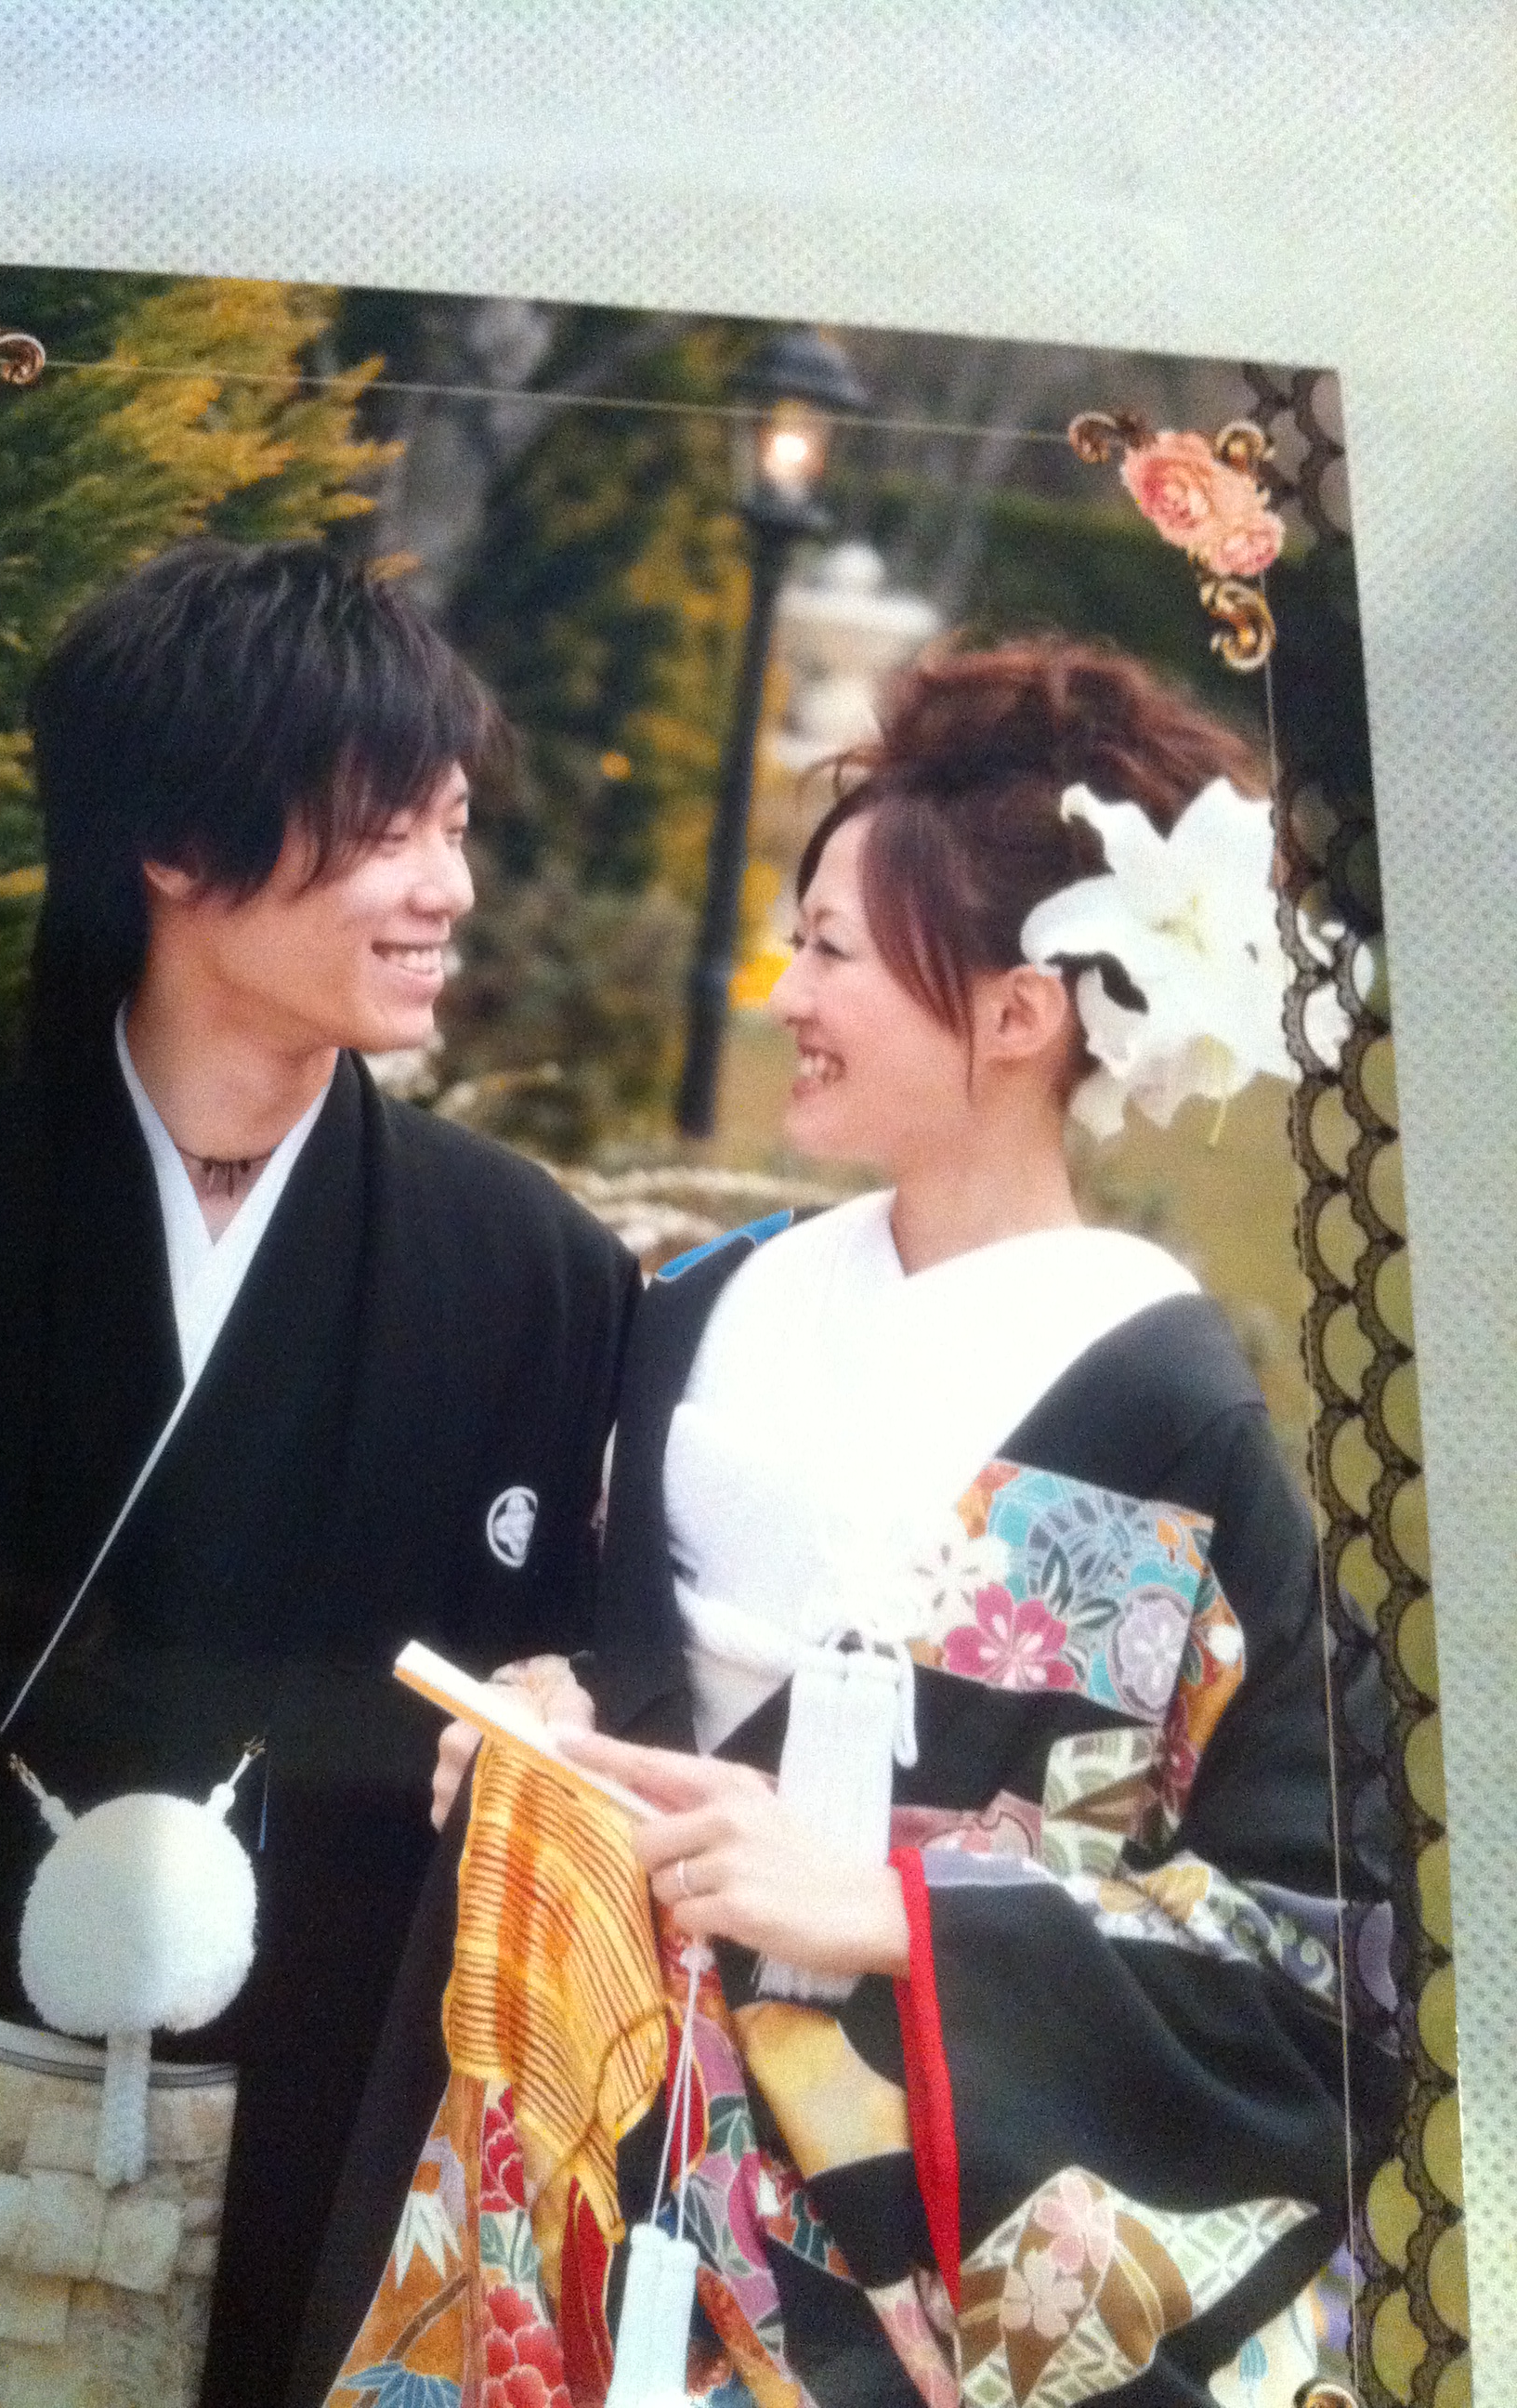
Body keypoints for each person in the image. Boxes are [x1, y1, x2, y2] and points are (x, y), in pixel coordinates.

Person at [308, 638, 1397, 2408]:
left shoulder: (1162, 1414)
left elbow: (1313, 1950)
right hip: (586, 2148)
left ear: (1019, 1014)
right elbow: (612, 1643)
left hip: (884, 2274)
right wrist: (554, 1709)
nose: (783, 994)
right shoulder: (703, 1307)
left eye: (830, 953)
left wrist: (902, 1908)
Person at [0, 540, 636, 2408]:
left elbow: (580, 1681)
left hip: (292, 2168)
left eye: (456, 828)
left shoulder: (533, 1275)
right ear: (174, 845)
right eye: (389, 830)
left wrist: (566, 1710)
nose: (447, 889)